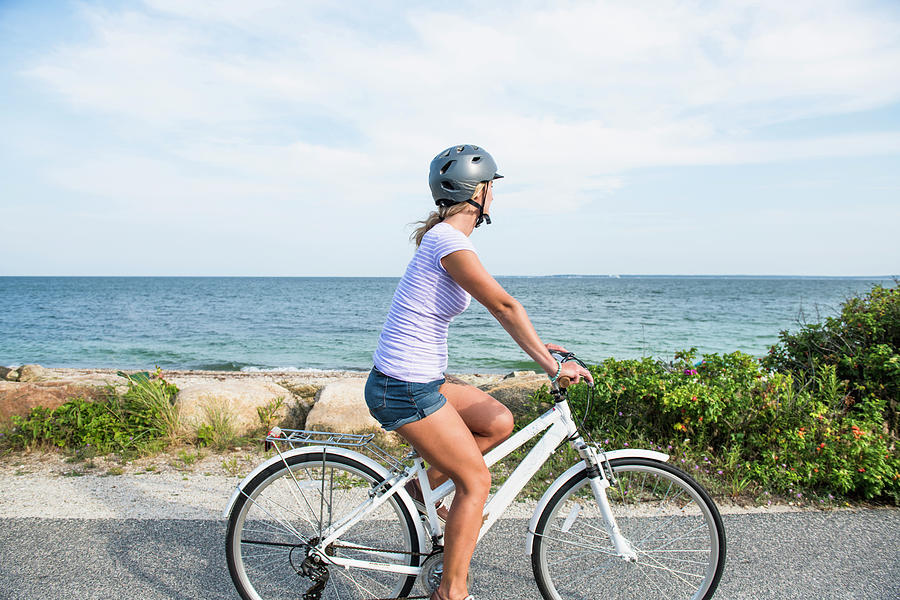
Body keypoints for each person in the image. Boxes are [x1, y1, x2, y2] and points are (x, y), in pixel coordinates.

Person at [364, 144, 593, 600]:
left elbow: (499, 311)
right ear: (481, 191)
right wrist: (552, 367)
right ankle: (451, 593)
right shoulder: (449, 241)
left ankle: (420, 490)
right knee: (476, 481)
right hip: (403, 386)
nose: (495, 196)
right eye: (493, 187)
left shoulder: (445, 239)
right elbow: (504, 305)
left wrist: (538, 345)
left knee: (497, 422)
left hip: (418, 378)